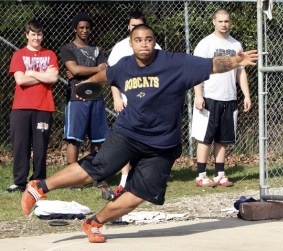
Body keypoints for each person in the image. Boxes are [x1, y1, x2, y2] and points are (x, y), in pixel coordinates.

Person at [21, 24, 258, 243]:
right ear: (131, 44)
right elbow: (108, 75)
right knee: (96, 169)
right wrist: (88, 83)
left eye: (148, 39)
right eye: (138, 40)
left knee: (137, 195)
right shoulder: (124, 65)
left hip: (163, 145)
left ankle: (93, 223)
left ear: (154, 42)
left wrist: (236, 61)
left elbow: (213, 65)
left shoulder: (175, 63)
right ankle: (39, 187)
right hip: (128, 133)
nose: (144, 44)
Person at [191, 9, 252, 188]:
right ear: (214, 22)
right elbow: (196, 71)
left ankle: (220, 174)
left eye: (226, 21)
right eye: (220, 21)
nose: (224, 24)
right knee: (205, 137)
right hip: (210, 96)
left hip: (229, 97)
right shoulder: (205, 44)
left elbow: (241, 71)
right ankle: (201, 174)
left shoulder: (236, 45)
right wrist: (198, 94)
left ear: (230, 22)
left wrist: (246, 95)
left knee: (223, 139)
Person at [107, 10, 162, 193]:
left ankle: (143, 179)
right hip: (127, 104)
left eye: (139, 25)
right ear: (128, 27)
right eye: (133, 26)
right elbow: (112, 77)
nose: (136, 29)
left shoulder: (156, 48)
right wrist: (116, 98)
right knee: (127, 143)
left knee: (149, 143)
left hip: (151, 106)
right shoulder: (120, 48)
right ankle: (124, 181)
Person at [6, 19, 59, 193]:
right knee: (20, 144)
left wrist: (32, 73)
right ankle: (19, 182)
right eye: (33, 34)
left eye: (39, 34)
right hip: (21, 107)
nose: (36, 38)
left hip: (43, 106)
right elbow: (20, 79)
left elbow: (53, 78)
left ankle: (38, 181)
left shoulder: (50, 54)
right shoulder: (19, 55)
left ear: (42, 35)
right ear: (27, 35)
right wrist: (43, 75)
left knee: (40, 146)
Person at [60, 13, 109, 166]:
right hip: (76, 98)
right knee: (74, 139)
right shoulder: (68, 48)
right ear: (75, 29)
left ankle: (96, 175)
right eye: (81, 27)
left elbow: (105, 72)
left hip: (96, 97)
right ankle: (71, 177)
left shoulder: (97, 50)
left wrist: (82, 71)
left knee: (99, 139)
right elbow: (74, 70)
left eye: (87, 28)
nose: (84, 30)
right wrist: (97, 69)